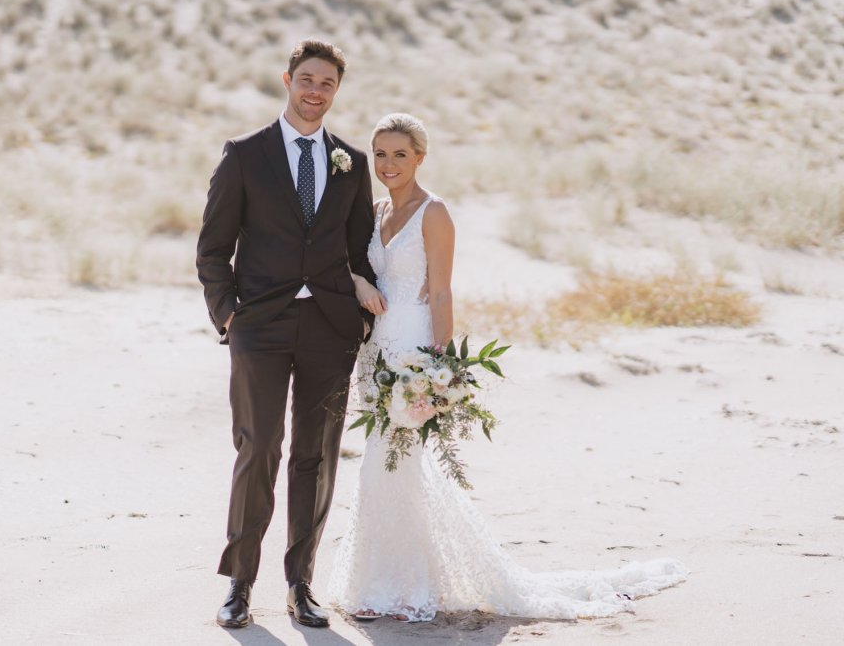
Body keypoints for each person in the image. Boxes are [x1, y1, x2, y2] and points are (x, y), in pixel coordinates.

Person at [328, 113, 688, 622]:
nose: (388, 164)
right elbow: (351, 263)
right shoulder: (376, 208)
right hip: (376, 353)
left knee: (397, 458)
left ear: (420, 158)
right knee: (383, 459)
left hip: (413, 346)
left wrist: (440, 366)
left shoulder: (435, 213)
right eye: (381, 154)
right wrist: (359, 284)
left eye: (400, 155)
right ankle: (385, 580)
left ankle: (406, 586)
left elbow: (445, 288)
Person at [196, 39, 377, 629]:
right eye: (307, 79)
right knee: (258, 450)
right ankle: (240, 585)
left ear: (336, 91)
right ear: (287, 80)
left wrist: (363, 316)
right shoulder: (245, 154)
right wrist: (228, 313)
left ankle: (301, 585)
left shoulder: (351, 160)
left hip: (330, 330)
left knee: (316, 455)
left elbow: (360, 251)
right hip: (260, 326)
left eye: (327, 83)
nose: (315, 91)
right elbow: (213, 249)